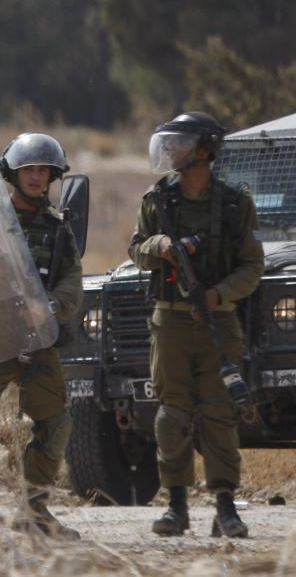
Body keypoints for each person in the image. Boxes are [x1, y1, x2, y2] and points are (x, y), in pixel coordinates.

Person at [128, 112, 264, 538]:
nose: (171, 149)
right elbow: (136, 248)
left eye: (181, 142)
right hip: (169, 322)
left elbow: (252, 266)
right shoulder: (157, 200)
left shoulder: (234, 203)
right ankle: (176, 507)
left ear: (204, 150)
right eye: (169, 142)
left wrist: (217, 294)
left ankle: (225, 508)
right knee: (172, 415)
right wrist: (161, 246)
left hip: (218, 322)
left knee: (220, 414)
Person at [0, 132, 83, 539]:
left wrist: (49, 306)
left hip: (37, 338)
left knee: (56, 422)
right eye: (28, 169)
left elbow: (72, 281)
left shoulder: (58, 229)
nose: (36, 176)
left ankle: (34, 510)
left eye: (43, 170)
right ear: (12, 174)